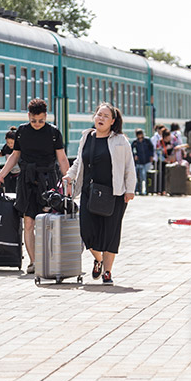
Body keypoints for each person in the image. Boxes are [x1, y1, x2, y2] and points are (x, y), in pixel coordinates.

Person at [0, 99, 70, 275]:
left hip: (48, 180)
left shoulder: (53, 132)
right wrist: (1, 175)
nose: (37, 124)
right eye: (34, 120)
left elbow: (62, 158)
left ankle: (50, 259)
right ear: (28, 116)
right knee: (28, 222)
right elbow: (14, 156)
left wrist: (68, 180)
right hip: (27, 181)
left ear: (46, 117)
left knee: (50, 221)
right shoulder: (21, 132)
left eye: (41, 121)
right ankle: (34, 262)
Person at [62, 103, 136, 286]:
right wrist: (70, 175)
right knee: (87, 231)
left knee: (111, 233)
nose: (101, 118)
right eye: (99, 114)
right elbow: (79, 161)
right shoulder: (87, 137)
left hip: (115, 193)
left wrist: (130, 189)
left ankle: (108, 272)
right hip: (89, 191)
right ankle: (98, 259)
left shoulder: (120, 141)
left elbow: (129, 166)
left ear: (112, 121)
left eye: (105, 116)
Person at [131, 128, 154, 195]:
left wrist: (151, 156)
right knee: (140, 177)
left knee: (147, 176)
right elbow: (131, 150)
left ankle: (148, 190)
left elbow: (151, 148)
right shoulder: (135, 142)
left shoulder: (147, 140)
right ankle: (139, 190)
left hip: (147, 160)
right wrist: (134, 156)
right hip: (139, 161)